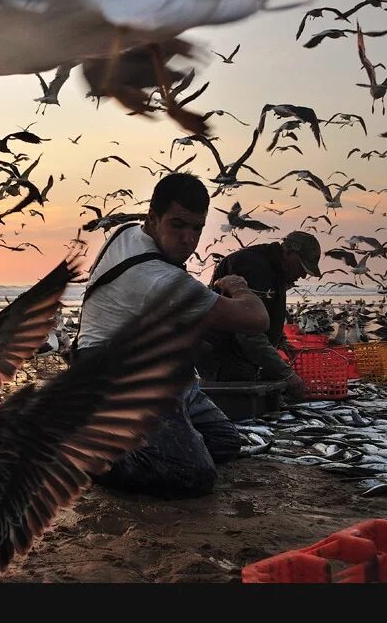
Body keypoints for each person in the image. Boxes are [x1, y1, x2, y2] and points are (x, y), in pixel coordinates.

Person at [73, 173, 269, 499]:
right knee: (194, 474)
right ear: (152, 218)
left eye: (197, 228)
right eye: (177, 225)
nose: (188, 239)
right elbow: (256, 320)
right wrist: (240, 289)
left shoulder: (125, 233)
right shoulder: (156, 278)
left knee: (224, 442)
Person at [197, 231, 322, 400]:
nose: (303, 275)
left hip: (241, 355)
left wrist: (282, 341)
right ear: (289, 252)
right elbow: (248, 334)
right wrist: (288, 375)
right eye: (302, 267)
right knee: (240, 409)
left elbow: (265, 313)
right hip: (224, 358)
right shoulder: (254, 267)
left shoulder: (276, 269)